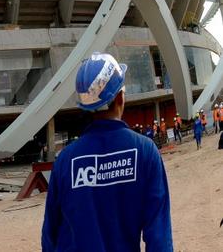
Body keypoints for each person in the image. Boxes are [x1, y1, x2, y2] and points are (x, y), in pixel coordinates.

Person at [42, 52, 172, 251]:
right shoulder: (145, 152)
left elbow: (50, 235)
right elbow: (159, 239)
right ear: (120, 97)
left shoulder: (65, 161)